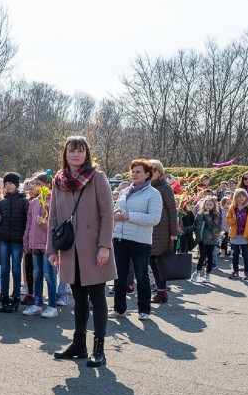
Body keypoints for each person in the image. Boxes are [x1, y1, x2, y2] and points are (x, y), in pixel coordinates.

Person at [50, 136, 116, 367]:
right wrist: (52, 250)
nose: (76, 154)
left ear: (87, 154)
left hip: (94, 247)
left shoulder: (97, 177)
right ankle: (79, 344)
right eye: (71, 150)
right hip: (69, 249)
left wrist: (104, 246)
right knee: (77, 299)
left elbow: (108, 213)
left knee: (97, 297)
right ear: (65, 154)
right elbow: (54, 217)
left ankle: (99, 348)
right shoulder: (58, 180)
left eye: (80, 150)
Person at [110, 160, 162, 318]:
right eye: (132, 171)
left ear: (147, 174)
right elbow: (118, 208)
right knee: (119, 275)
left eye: (138, 171)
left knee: (141, 275)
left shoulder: (153, 194)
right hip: (120, 238)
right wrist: (116, 212)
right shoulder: (125, 191)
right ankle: (119, 308)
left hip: (140, 240)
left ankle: (144, 310)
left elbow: (154, 218)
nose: (134, 174)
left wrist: (129, 216)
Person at [0, 172, 28, 313]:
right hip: (4, 240)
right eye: (5, 184)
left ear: (17, 185)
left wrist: (26, 239)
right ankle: (4, 296)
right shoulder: (1, 202)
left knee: (16, 270)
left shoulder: (24, 201)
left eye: (10, 183)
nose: (8, 186)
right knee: (5, 269)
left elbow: (27, 222)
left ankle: (16, 297)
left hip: (18, 240)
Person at [23, 172, 58, 317]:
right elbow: (29, 224)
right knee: (37, 275)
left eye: (40, 184)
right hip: (34, 245)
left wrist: (44, 224)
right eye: (36, 184)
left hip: (47, 245)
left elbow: (55, 225)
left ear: (48, 185)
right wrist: (26, 241)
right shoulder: (33, 202)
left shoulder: (53, 202)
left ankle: (52, 306)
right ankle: (37, 304)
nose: (37, 187)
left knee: (49, 275)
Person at [148, 160, 177, 305]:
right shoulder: (145, 186)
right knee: (152, 261)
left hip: (162, 230)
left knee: (160, 262)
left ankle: (161, 291)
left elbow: (172, 211)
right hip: (149, 229)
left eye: (153, 169)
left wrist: (173, 233)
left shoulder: (165, 188)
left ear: (159, 171)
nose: (151, 171)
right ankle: (161, 290)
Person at [189, 196, 221, 283]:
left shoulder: (216, 215)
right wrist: (184, 229)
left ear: (214, 206)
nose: (208, 206)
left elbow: (212, 227)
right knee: (202, 256)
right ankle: (197, 272)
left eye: (210, 205)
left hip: (211, 240)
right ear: (204, 205)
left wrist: (207, 216)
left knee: (210, 257)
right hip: (202, 239)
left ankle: (207, 275)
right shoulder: (199, 214)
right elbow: (195, 226)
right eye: (207, 204)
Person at [227, 188, 248, 280]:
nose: (241, 198)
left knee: (246, 255)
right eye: (239, 196)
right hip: (235, 235)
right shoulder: (232, 208)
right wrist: (233, 220)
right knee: (235, 254)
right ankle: (235, 271)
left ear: (246, 197)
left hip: (245, 235)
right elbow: (228, 221)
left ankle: (246, 272)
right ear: (236, 197)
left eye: (243, 196)